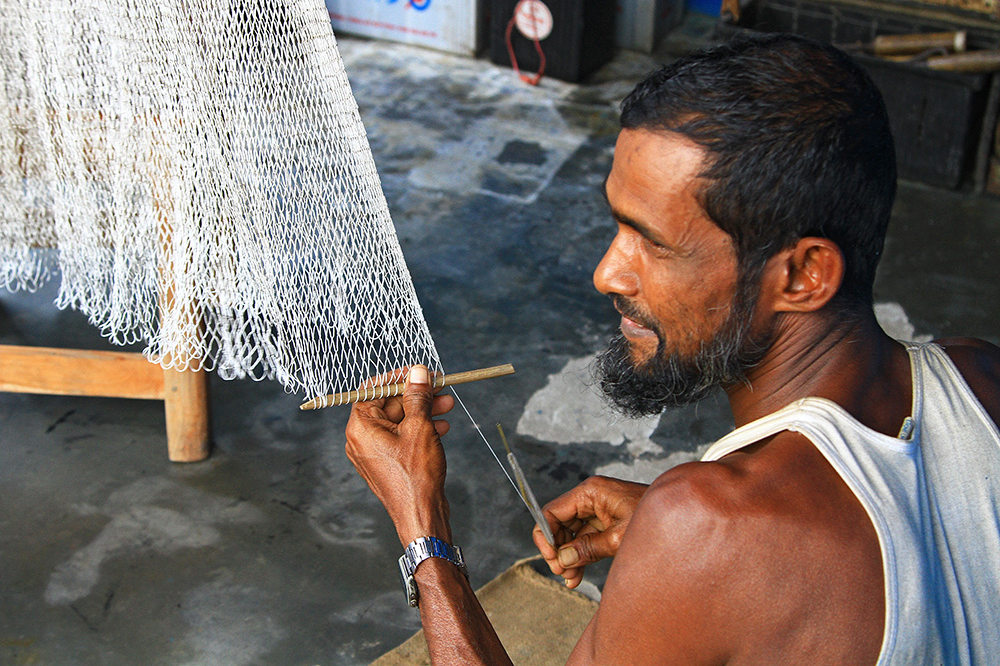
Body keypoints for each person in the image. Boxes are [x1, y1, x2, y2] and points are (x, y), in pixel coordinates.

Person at [345, 32, 1000, 665]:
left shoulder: (710, 527)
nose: (608, 272)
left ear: (802, 275)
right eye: (617, 226)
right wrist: (689, 539)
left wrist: (423, 532)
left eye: (653, 243)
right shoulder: (980, 376)